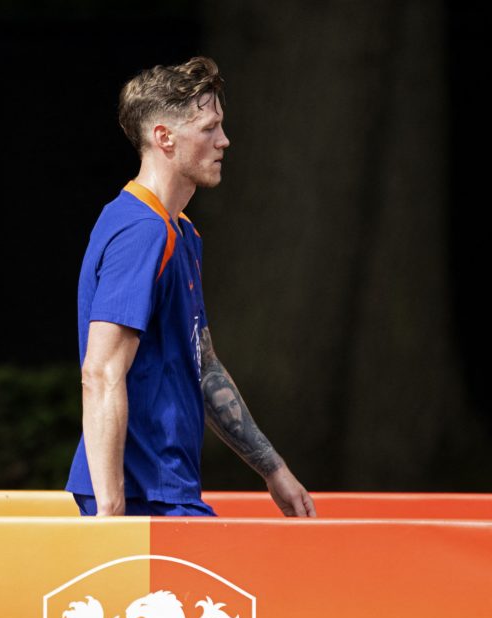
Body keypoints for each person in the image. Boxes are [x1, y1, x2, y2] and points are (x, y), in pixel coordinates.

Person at [65, 56, 316, 518]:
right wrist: (110, 515)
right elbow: (100, 373)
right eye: (209, 128)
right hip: (141, 501)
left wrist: (273, 469)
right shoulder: (141, 230)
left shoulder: (180, 232)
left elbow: (203, 367)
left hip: (165, 492)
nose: (224, 140)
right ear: (164, 137)